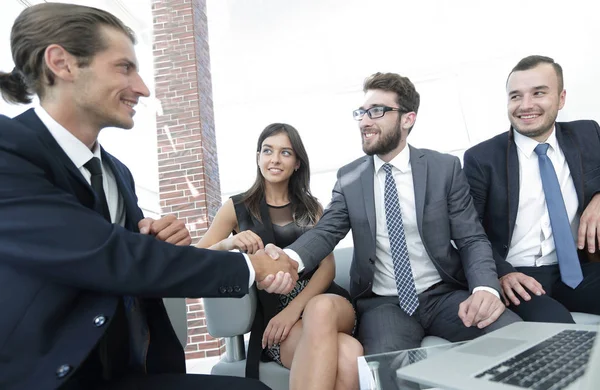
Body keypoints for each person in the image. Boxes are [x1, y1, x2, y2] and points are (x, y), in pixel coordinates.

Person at [0, 3, 298, 390]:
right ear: (62, 63)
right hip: (51, 377)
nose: (142, 87)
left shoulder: (116, 172)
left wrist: (150, 244)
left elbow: (125, 262)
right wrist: (249, 267)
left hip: (130, 371)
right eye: (124, 67)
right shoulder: (9, 152)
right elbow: (107, 255)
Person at [262, 72, 520, 389]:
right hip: (385, 305)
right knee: (386, 373)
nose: (365, 121)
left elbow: (471, 238)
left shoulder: (443, 169)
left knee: (516, 339)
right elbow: (326, 231)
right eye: (362, 112)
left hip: (445, 296)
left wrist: (484, 289)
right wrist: (289, 259)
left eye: (377, 111)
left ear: (408, 119)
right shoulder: (350, 178)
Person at [197, 123, 363, 390]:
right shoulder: (235, 208)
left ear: (297, 162)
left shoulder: (312, 207)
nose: (274, 159)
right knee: (349, 354)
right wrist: (229, 243)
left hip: (327, 303)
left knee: (319, 310)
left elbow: (327, 268)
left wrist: (294, 310)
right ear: (258, 157)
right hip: (275, 318)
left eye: (285, 152)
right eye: (267, 151)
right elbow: (196, 259)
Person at [463, 55, 600, 323]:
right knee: (559, 331)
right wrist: (500, 273)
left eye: (538, 93)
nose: (526, 105)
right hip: (518, 276)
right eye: (515, 96)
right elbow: (468, 231)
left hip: (579, 268)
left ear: (561, 99)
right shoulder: (481, 159)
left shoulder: (587, 134)